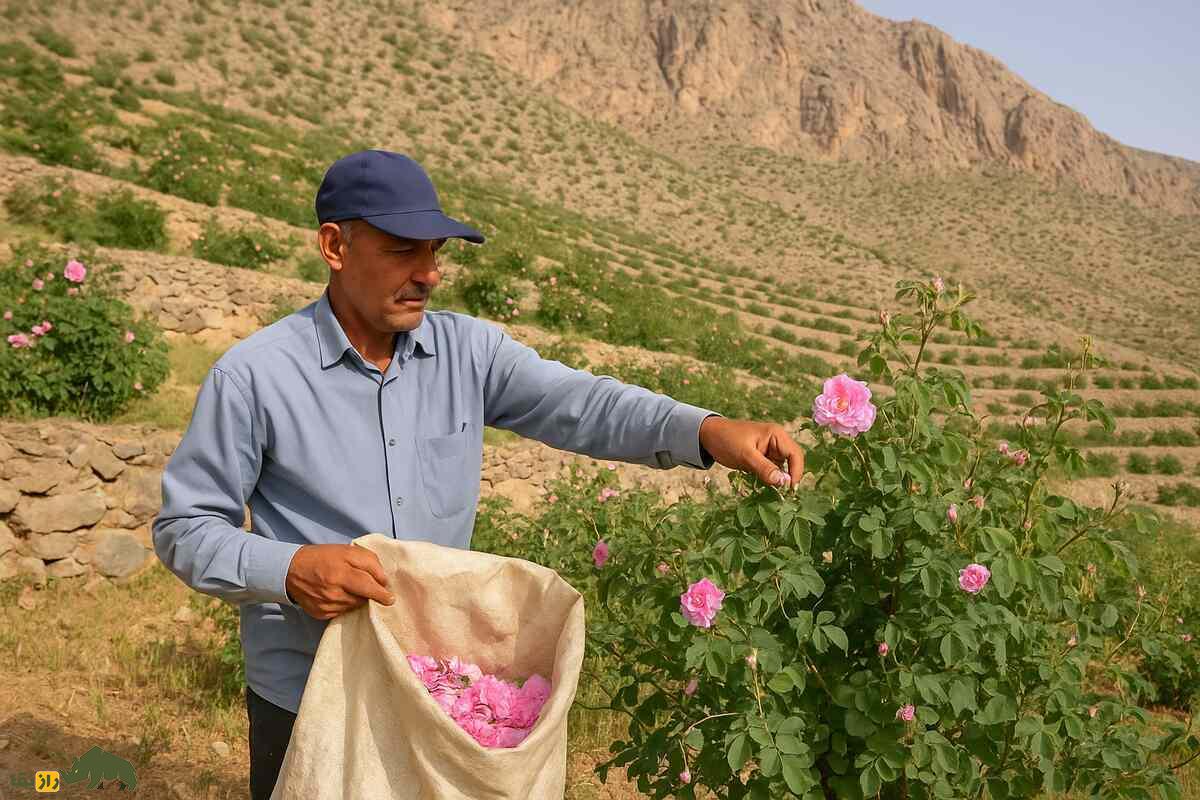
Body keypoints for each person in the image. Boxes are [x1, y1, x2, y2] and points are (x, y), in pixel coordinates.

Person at [151, 149, 805, 800]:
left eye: (435, 252)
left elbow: (584, 404)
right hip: (310, 695)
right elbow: (185, 528)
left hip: (438, 692)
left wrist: (706, 430)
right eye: (403, 251)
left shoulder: (469, 353)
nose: (429, 274)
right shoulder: (255, 376)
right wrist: (291, 569)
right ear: (335, 246)